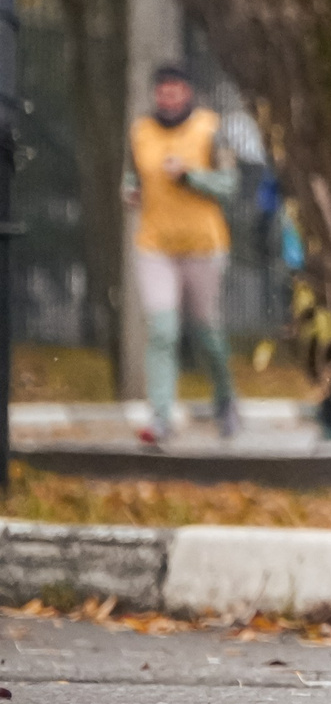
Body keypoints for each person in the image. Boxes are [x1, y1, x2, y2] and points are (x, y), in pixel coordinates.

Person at [125, 65, 239, 446]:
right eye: (162, 92)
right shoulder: (140, 132)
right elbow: (132, 176)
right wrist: (130, 191)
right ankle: (161, 418)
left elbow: (229, 184)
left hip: (203, 246)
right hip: (155, 246)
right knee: (162, 331)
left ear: (187, 92)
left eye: (175, 91)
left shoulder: (210, 128)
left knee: (207, 334)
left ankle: (225, 400)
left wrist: (190, 175)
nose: (168, 99)